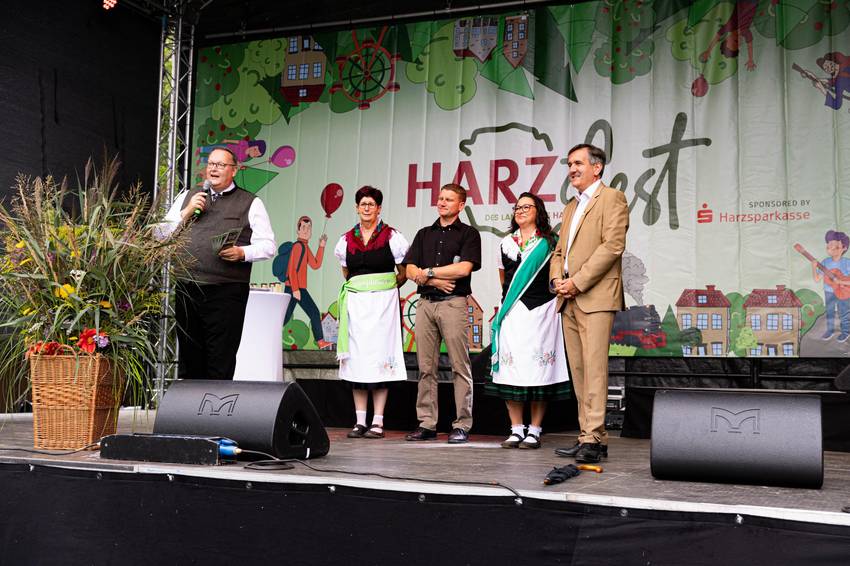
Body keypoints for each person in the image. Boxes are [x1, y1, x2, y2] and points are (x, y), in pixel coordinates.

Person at [160, 147, 276, 379]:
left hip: (226, 290)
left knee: (220, 355)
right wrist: (188, 211)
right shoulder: (188, 196)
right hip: (188, 286)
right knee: (190, 354)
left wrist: (241, 252)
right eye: (211, 163)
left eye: (220, 165)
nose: (213, 168)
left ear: (234, 170)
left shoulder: (250, 202)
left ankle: (216, 410)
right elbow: (161, 235)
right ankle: (192, 412)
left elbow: (269, 246)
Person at [550, 144, 628, 463]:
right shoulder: (571, 206)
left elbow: (613, 246)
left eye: (578, 163)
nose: (572, 169)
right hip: (567, 297)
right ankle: (588, 436)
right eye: (569, 164)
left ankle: (594, 439)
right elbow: (559, 252)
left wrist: (577, 281)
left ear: (597, 168)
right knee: (580, 372)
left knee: (595, 370)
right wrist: (558, 280)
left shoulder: (612, 198)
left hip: (593, 296)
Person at [487, 192, 571, 450]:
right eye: (517, 207)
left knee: (539, 371)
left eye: (527, 206)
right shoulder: (505, 243)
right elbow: (505, 280)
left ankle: (534, 429)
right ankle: (515, 429)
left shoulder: (550, 242)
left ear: (538, 211)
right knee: (511, 371)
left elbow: (558, 273)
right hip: (513, 313)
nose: (521, 210)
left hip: (541, 312)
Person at [403, 184, 482, 444]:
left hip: (453, 303)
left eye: (449, 199)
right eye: (440, 198)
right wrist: (433, 280)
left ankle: (461, 425)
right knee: (426, 367)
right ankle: (427, 423)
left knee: (460, 366)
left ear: (461, 205)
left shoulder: (469, 234)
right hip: (426, 303)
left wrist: (430, 273)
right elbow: (410, 269)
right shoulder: (424, 233)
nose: (442, 202)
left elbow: (464, 269)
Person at [333, 186, 409, 438]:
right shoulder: (345, 240)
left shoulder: (392, 237)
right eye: (362, 204)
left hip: (382, 305)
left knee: (380, 360)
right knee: (357, 362)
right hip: (356, 305)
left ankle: (377, 421)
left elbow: (403, 271)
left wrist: (383, 288)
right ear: (356, 208)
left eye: (371, 204)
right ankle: (359, 421)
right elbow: (347, 273)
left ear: (378, 208)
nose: (366, 208)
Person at [284, 215, 333, 349]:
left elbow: (315, 264)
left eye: (309, 227)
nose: (306, 230)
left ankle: (320, 341)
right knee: (312, 312)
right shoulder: (298, 247)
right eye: (303, 227)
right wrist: (295, 289)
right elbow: (292, 269)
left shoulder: (305, 247)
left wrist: (321, 247)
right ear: (298, 231)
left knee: (286, 316)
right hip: (295, 288)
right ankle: (320, 341)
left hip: (297, 288)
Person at [811, 230, 850, 342]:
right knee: (829, 311)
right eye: (829, 245)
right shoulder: (825, 262)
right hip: (829, 291)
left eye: (835, 246)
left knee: (844, 312)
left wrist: (841, 282)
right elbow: (817, 279)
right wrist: (814, 267)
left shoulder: (847, 263)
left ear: (844, 248)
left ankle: (846, 332)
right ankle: (830, 330)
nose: (831, 248)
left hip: (844, 292)